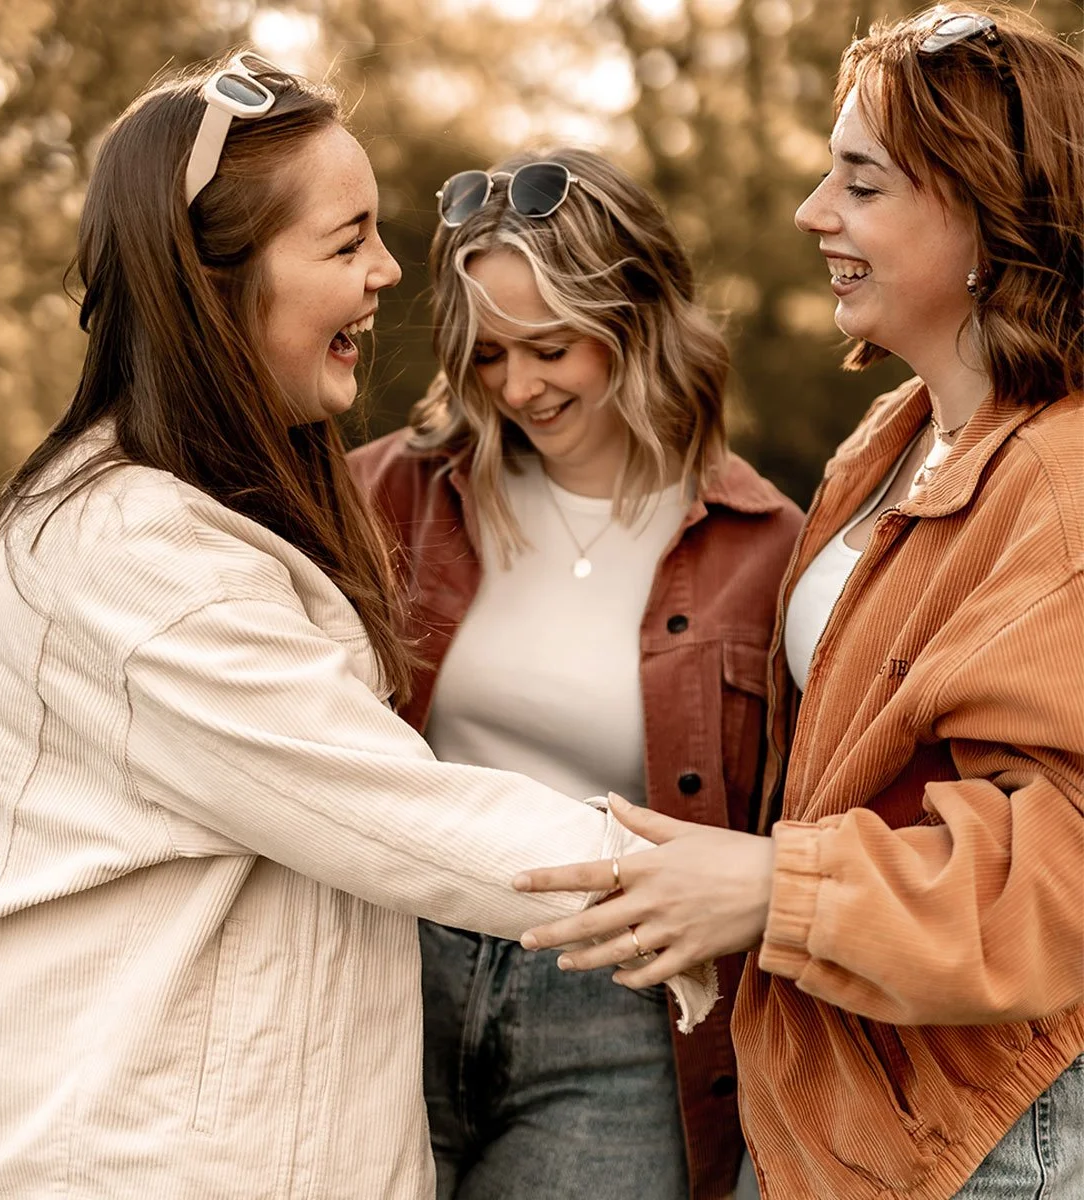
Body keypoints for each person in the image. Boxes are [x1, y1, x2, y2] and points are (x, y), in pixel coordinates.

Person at [0, 55, 713, 1200]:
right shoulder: (136, 555)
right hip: (110, 1159)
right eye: (345, 242)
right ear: (215, 286)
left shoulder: (210, 514)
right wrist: (709, 893)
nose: (385, 274)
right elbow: (395, 813)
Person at [509, 7, 1084, 1200]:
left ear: (984, 214)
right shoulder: (893, 441)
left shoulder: (1063, 482)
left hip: (984, 1136)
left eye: (860, 184)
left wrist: (775, 885)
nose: (813, 213)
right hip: (847, 1102)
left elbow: (1064, 872)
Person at [349, 148, 802, 1200]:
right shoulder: (389, 496)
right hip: (390, 975)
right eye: (488, 355)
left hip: (616, 1018)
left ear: (636, 323)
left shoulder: (766, 549)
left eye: (551, 348)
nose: (517, 388)